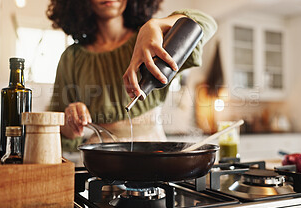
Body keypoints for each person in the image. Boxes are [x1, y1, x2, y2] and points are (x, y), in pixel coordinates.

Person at [47, 0, 217, 151]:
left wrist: (156, 25)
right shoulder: (72, 58)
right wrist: (71, 119)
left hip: (154, 155)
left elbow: (206, 24)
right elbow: (60, 132)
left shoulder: (151, 40)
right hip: (102, 162)